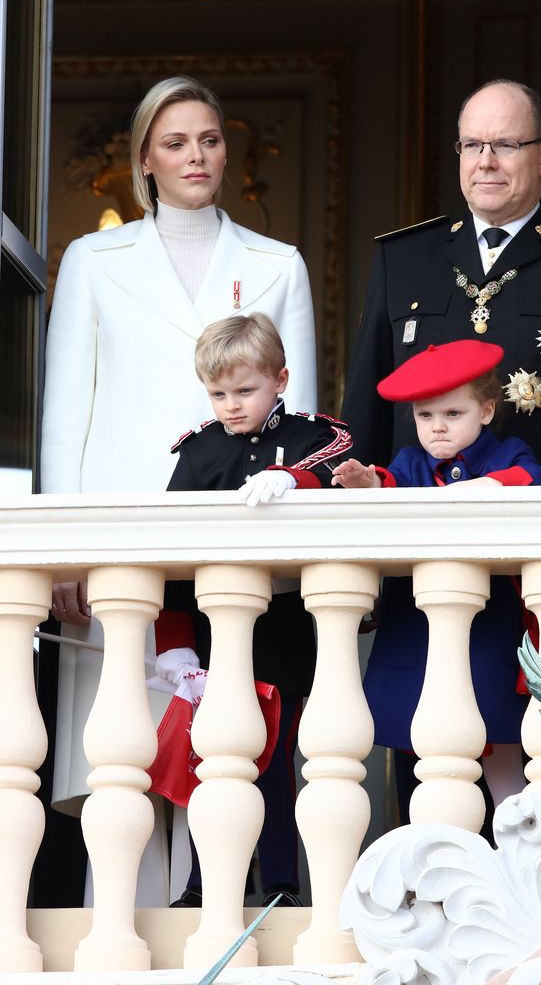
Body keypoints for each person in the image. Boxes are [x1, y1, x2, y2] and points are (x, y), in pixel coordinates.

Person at [39, 75, 317, 905]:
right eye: (174, 142)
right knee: (123, 755)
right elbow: (66, 413)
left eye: (208, 138)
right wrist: (63, 550)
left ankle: (217, 926)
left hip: (236, 544)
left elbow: (296, 422)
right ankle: (115, 933)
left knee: (225, 746)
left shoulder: (278, 264)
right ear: (144, 161)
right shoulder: (92, 259)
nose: (195, 155)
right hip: (122, 540)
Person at [342, 78, 541, 636]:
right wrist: (352, 552)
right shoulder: (403, 258)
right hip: (414, 558)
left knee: (539, 722)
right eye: (472, 145)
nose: (486, 162)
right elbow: (364, 409)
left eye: (506, 145)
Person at [156, 311, 352, 906]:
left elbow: (342, 468)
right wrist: (174, 643)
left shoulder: (318, 437)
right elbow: (172, 557)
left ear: (281, 379)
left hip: (285, 630)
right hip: (216, 630)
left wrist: (295, 478)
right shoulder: (197, 454)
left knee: (277, 763)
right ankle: (206, 883)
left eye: (246, 390)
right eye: (218, 393)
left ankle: (283, 886)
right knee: (212, 759)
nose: (231, 405)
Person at [333, 339, 541, 809]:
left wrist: (478, 487)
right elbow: (390, 486)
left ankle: (517, 862)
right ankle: (427, 871)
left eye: (453, 414)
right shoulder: (410, 462)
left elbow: (532, 479)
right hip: (416, 630)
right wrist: (369, 483)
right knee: (419, 751)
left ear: (486, 411)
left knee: (502, 752)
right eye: (425, 416)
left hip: (489, 628)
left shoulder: (507, 452)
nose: (438, 428)